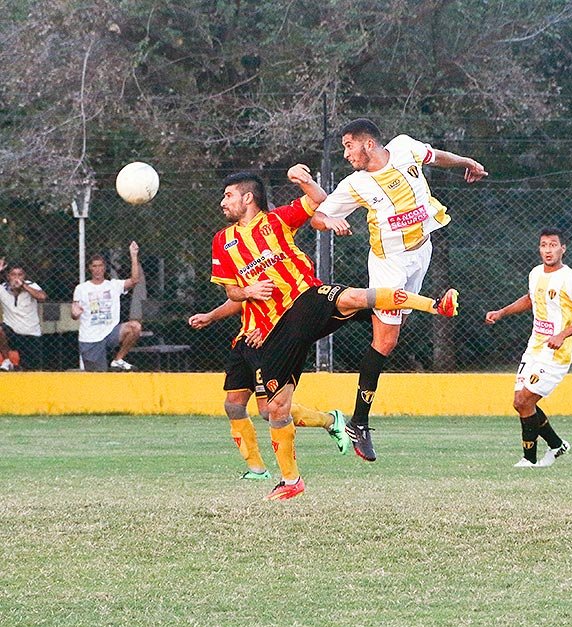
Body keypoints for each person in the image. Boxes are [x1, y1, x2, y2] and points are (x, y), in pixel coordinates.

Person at [211, 165, 457, 501]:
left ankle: (435, 305)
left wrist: (305, 180)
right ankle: (291, 480)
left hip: (305, 300)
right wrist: (249, 291)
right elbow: (231, 291)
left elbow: (318, 201)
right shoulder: (223, 241)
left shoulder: (277, 220)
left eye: (228, 195)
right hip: (276, 332)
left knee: (354, 297)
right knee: (276, 409)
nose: (223, 202)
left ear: (248, 198)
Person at [313, 118, 487, 460]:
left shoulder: (405, 147)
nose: (345, 154)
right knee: (386, 342)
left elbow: (436, 156)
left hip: (421, 251)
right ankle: (359, 422)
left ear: (368, 143)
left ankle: (358, 308)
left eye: (348, 145)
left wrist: (466, 162)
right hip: (388, 264)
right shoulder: (356, 184)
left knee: (394, 327)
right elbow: (318, 216)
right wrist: (328, 220)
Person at [188, 298, 353, 480]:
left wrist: (269, 329)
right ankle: (257, 469)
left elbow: (295, 303)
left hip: (268, 342)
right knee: (233, 405)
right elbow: (239, 298)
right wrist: (210, 316)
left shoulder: (287, 280)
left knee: (268, 410)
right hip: (245, 341)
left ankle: (330, 420)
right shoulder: (247, 280)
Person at [484, 228, 572, 468]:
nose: (548, 250)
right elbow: (531, 299)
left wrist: (563, 334)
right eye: (544, 245)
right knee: (520, 402)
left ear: (563, 248)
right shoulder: (535, 273)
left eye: (553, 245)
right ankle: (557, 445)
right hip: (534, 348)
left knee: (525, 399)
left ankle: (529, 459)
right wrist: (502, 312)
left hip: (556, 353)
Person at [71, 243, 143, 371]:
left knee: (135, 327)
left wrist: (133, 255)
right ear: (90, 268)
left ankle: (118, 360)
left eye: (100, 266)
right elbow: (74, 313)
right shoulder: (81, 289)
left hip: (110, 332)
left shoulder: (113, 285)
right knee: (98, 377)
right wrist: (75, 314)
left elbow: (134, 280)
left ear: (104, 268)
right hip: (90, 338)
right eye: (94, 266)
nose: (98, 269)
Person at [0, 259, 47, 370]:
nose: (16, 278)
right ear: (8, 277)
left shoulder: (31, 285)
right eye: (13, 275)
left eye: (20, 275)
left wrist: (24, 286)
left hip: (30, 333)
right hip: (11, 332)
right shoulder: (2, 288)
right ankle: (7, 361)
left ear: (24, 276)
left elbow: (42, 297)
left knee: (31, 370)